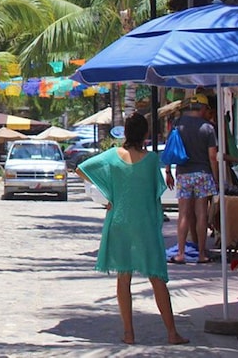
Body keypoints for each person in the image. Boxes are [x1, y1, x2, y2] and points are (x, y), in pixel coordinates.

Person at [75, 113, 188, 345]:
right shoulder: (151, 160)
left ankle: (128, 333)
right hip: (145, 223)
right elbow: (155, 191)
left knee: (123, 278)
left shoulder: (112, 156)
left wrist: (108, 197)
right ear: (145, 133)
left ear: (125, 132)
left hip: (119, 221)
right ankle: (171, 333)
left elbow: (82, 168)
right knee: (157, 278)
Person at [167, 93, 218, 264]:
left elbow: (170, 149)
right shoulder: (208, 128)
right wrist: (216, 178)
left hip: (183, 173)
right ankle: (201, 254)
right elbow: (212, 156)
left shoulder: (177, 124)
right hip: (203, 173)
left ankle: (181, 253)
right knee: (201, 213)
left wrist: (168, 171)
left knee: (184, 214)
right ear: (203, 108)